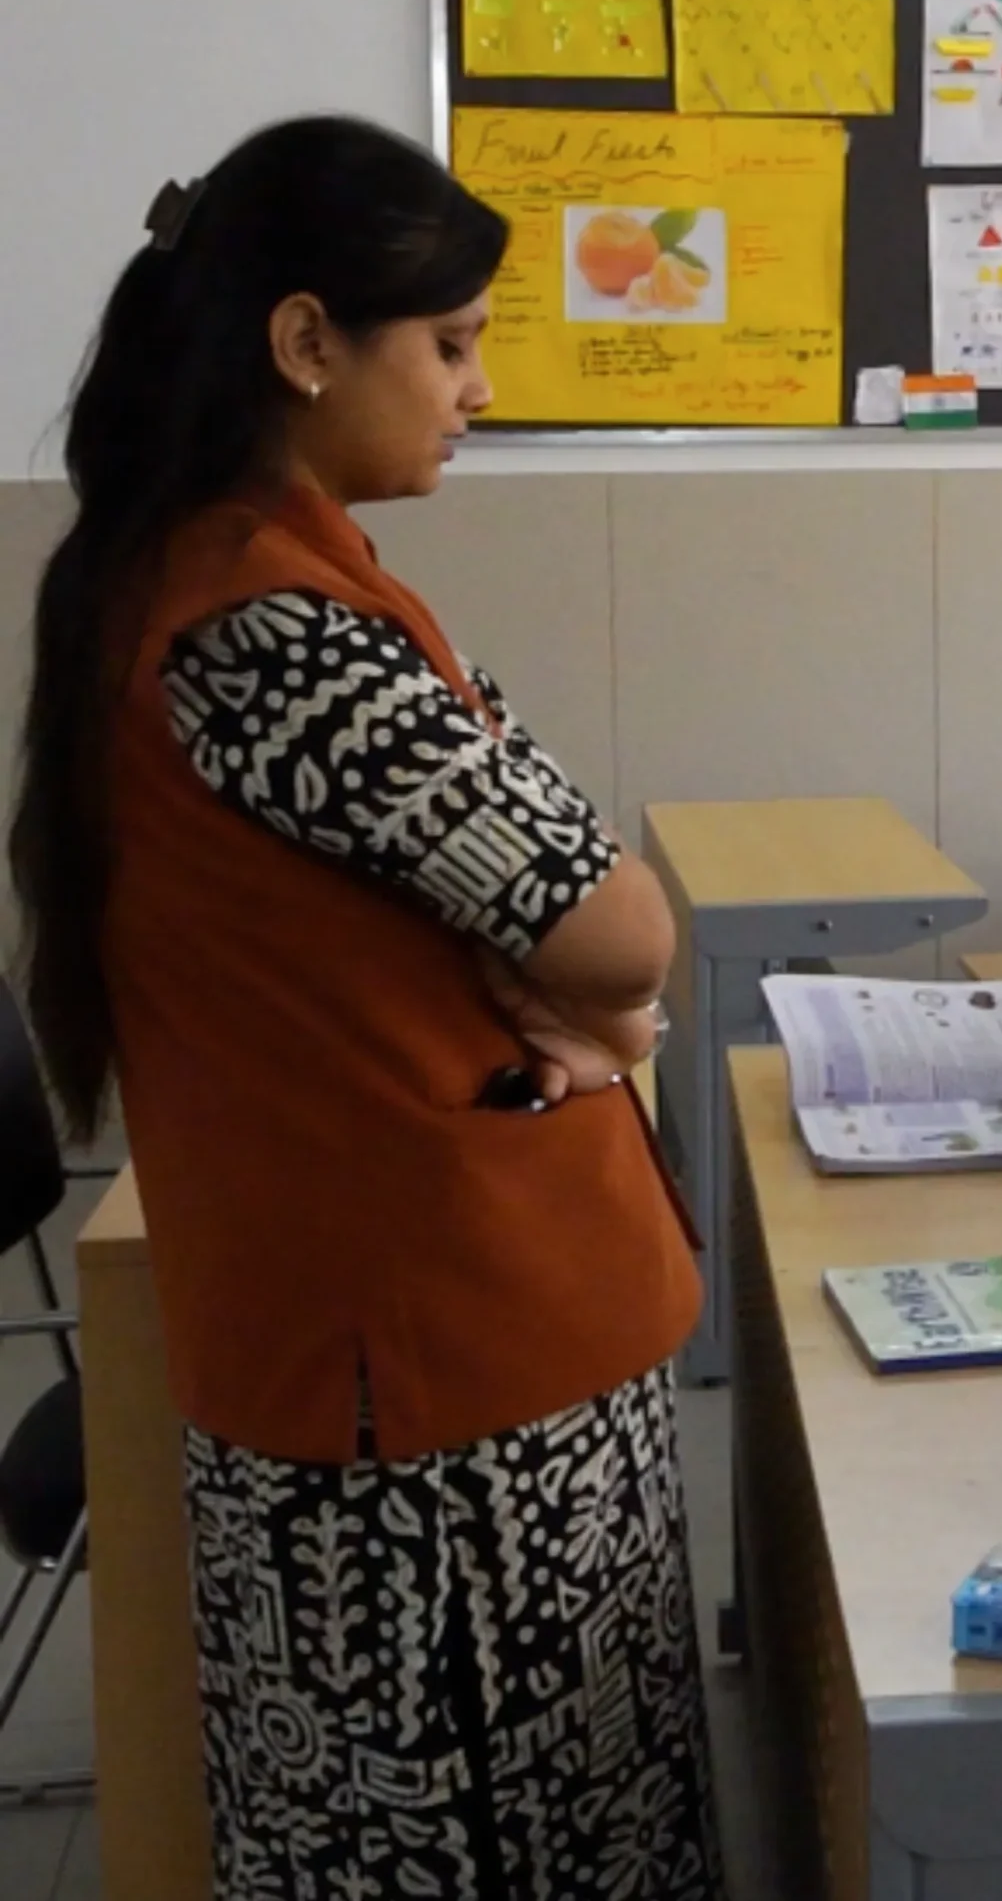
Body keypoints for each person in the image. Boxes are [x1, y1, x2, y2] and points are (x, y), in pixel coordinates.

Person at [7, 121, 723, 1898]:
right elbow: (615, 926)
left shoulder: (205, 568)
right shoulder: (277, 629)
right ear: (308, 340)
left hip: (376, 1328)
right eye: (454, 344)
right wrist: (612, 1012)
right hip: (443, 1379)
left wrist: (588, 1002)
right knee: (503, 1835)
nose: (479, 387)